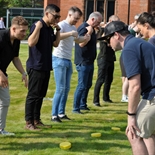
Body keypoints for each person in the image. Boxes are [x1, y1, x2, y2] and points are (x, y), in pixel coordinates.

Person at [98, 20, 155, 155]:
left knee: (133, 132)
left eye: (107, 39)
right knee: (148, 133)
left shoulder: (129, 49)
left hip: (152, 96)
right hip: (151, 94)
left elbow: (134, 86)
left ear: (116, 35)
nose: (107, 43)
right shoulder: (140, 43)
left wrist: (131, 115)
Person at [51, 6, 90, 122]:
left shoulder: (73, 27)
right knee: (60, 88)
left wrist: (86, 38)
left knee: (66, 88)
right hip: (59, 59)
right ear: (69, 14)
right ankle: (54, 115)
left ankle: (61, 113)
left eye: (78, 19)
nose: (76, 21)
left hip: (68, 60)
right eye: (75, 18)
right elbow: (56, 36)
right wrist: (70, 33)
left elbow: (77, 39)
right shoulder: (62, 25)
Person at [25, 4, 61, 130]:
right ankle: (29, 122)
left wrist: (58, 31)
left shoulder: (50, 28)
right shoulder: (37, 25)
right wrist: (37, 29)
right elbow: (30, 42)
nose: (57, 19)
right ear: (47, 14)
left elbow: (56, 44)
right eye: (55, 16)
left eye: (58, 17)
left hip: (46, 66)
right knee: (33, 95)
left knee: (41, 95)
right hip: (36, 66)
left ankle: (36, 119)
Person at [0, 16, 28, 135]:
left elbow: (15, 58)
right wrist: (1, 74)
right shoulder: (1, 36)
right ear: (13, 28)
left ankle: (0, 129)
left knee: (5, 100)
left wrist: (23, 73)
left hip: (2, 73)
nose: (25, 34)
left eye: (26, 30)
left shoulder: (16, 40)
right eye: (22, 31)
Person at [73, 12, 102, 113]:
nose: (98, 24)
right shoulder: (84, 28)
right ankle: (76, 108)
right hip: (83, 61)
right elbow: (81, 43)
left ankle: (83, 104)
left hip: (90, 61)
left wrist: (96, 32)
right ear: (92, 19)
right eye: (98, 22)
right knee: (81, 85)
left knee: (88, 84)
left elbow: (93, 42)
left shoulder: (92, 29)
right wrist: (89, 33)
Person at [93, 15, 120, 106]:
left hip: (110, 57)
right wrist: (106, 27)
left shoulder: (113, 32)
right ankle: (95, 100)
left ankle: (106, 97)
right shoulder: (103, 30)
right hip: (103, 58)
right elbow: (102, 38)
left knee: (109, 79)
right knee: (101, 79)